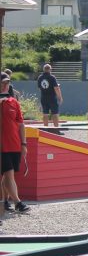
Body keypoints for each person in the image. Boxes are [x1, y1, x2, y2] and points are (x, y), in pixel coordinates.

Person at [0, 73, 31, 216]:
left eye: (7, 82)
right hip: (3, 145)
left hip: (14, 144)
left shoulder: (14, 102)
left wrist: (24, 144)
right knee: (9, 174)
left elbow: (21, 124)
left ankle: (5, 201)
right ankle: (18, 202)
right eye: (3, 82)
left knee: (7, 176)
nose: (6, 85)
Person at [37, 63, 63, 128]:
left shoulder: (40, 77)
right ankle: (56, 129)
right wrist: (60, 97)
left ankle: (45, 129)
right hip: (52, 97)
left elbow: (40, 88)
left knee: (45, 114)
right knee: (55, 113)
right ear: (50, 70)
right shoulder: (52, 77)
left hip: (43, 97)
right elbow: (56, 88)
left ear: (43, 69)